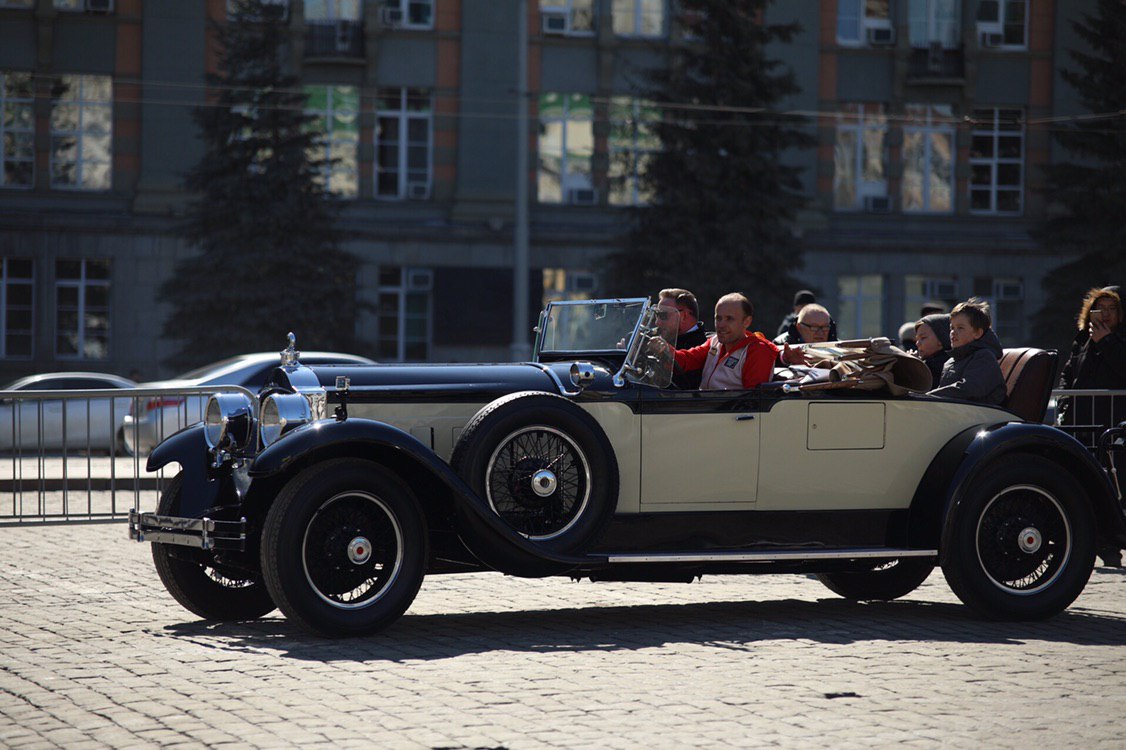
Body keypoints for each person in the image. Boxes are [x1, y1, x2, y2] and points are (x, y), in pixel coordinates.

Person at [1055, 286, 1126, 568]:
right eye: (1100, 309)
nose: (1105, 315)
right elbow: (1069, 372)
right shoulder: (1084, 338)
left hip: (1112, 423)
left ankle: (1112, 543)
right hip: (1081, 421)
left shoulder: (1117, 339)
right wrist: (1063, 402)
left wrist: (1107, 342)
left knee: (1113, 483)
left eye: (1112, 309)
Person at [673, 293, 787, 390]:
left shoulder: (758, 350)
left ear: (746, 322)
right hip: (705, 408)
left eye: (729, 319)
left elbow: (753, 401)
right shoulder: (715, 341)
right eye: (718, 318)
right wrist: (662, 350)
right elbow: (686, 360)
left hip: (725, 413)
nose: (721, 325)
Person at [928, 299, 1005, 405]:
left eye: (960, 328)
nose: (953, 332)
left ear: (977, 333)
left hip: (983, 416)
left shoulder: (983, 357)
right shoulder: (951, 361)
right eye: (952, 328)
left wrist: (929, 397)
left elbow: (968, 389)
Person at [914, 313, 951, 390]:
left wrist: (912, 366)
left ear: (942, 339)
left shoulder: (935, 368)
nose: (917, 343)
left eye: (923, 338)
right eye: (917, 339)